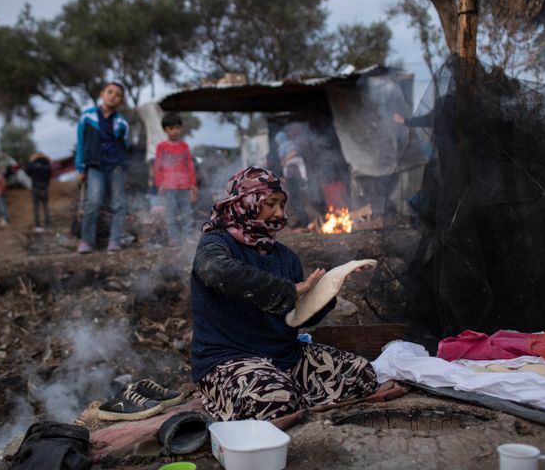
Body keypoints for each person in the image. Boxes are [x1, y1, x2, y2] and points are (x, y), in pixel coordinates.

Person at [190, 166, 378, 421]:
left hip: (284, 357)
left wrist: (329, 288)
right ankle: (259, 392)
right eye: (271, 204)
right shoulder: (217, 245)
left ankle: (285, 390)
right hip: (227, 359)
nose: (281, 214)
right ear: (247, 203)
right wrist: (287, 290)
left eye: (282, 205)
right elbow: (215, 271)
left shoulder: (285, 258)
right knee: (274, 400)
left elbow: (299, 317)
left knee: (362, 375)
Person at [75, 82, 130, 254]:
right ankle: (87, 241)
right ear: (102, 94)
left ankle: (114, 241)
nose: (113, 96)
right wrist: (80, 168)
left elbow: (125, 147)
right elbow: (81, 143)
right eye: (110, 92)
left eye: (118, 94)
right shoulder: (87, 117)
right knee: (93, 202)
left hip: (116, 167)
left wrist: (124, 169)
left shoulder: (122, 123)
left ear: (121, 100)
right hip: (95, 165)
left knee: (119, 204)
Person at [155, 112, 197, 245]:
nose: (174, 131)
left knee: (187, 213)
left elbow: (190, 165)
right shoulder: (161, 147)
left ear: (181, 128)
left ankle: (188, 237)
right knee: (170, 214)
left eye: (177, 128)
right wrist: (159, 183)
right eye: (171, 128)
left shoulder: (185, 147)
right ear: (165, 130)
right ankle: (173, 238)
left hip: (184, 186)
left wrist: (193, 184)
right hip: (168, 187)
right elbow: (158, 166)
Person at [25, 152, 52, 232]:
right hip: (45, 188)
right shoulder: (47, 164)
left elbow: (27, 172)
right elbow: (49, 175)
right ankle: (48, 225)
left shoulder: (33, 163)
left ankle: (38, 226)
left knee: (36, 208)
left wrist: (31, 163)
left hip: (35, 188)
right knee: (46, 207)